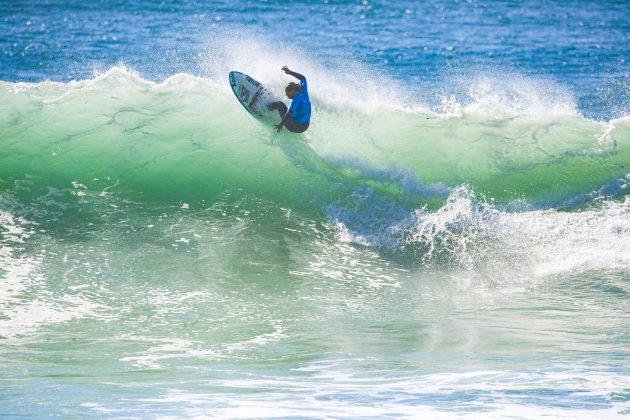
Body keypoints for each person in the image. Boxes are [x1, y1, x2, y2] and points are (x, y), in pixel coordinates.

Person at [270, 66, 311, 133]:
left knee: (279, 104)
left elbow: (289, 113)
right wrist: (290, 72)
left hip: (295, 127)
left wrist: (281, 124)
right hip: (306, 126)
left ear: (292, 91)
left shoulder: (295, 100)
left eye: (287, 93)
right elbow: (303, 78)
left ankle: (265, 108)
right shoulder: (303, 90)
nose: (286, 94)